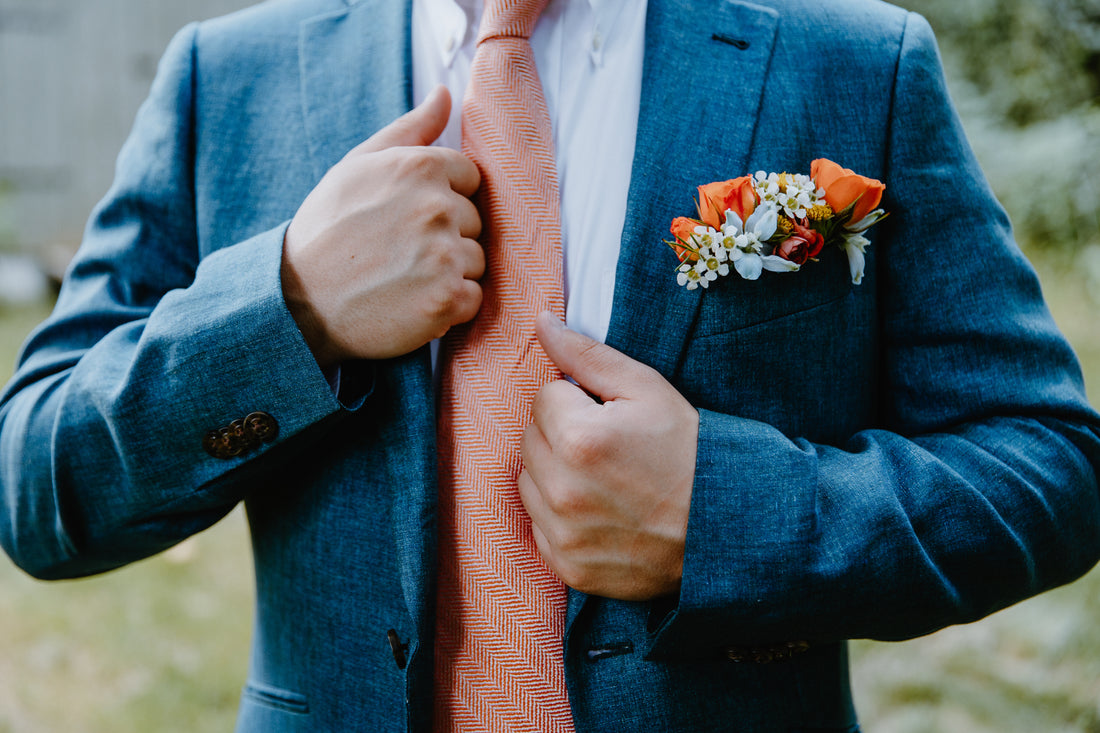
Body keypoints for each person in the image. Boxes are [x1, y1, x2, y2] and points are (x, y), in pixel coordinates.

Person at [2, 0, 1098, 730]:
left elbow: (1048, 463)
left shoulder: (853, 63)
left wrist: (721, 513)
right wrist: (288, 306)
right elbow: (36, 485)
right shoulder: (229, 77)